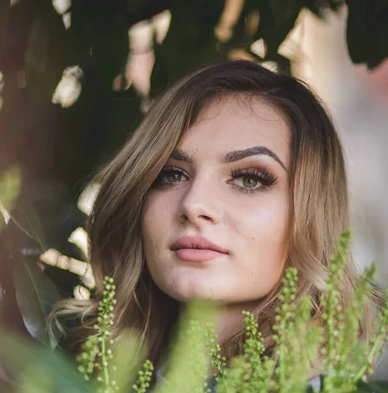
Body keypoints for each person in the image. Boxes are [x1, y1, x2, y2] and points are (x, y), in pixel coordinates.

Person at [50, 59, 371, 373]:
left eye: (249, 179)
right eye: (171, 174)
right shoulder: (64, 388)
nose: (194, 204)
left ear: (311, 212)